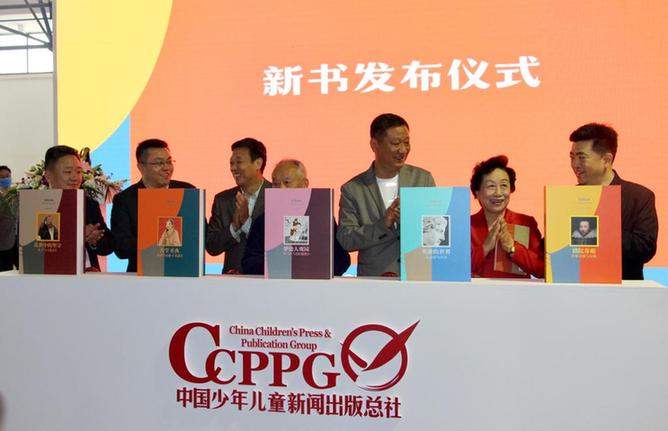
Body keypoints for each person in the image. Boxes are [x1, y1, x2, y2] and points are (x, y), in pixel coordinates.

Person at [337, 113, 435, 276]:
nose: (403, 150)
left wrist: (411, 221)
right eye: (396, 143)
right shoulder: (353, 189)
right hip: (375, 279)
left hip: (418, 273)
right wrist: (383, 225)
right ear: (374, 145)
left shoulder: (423, 179)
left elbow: (436, 228)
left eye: (406, 142)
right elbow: (346, 240)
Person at [569, 123, 658, 279]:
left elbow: (645, 249)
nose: (575, 164)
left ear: (606, 160)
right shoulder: (567, 198)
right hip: (575, 286)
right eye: (572, 157)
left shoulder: (639, 197)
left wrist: (602, 228)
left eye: (581, 157)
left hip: (623, 289)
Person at [242, 159, 351, 275]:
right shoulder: (263, 221)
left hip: (313, 285)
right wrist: (282, 265)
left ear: (304, 184)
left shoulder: (321, 219)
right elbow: (249, 263)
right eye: (275, 184)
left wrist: (312, 266)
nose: (281, 189)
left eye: (287, 182)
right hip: (276, 285)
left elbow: (342, 261)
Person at [111, 139, 194, 272]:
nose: (167, 168)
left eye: (169, 162)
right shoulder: (125, 200)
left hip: (183, 273)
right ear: (141, 167)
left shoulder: (187, 192)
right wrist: (158, 240)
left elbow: (200, 234)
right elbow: (121, 248)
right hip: (142, 275)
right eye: (159, 163)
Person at [470, 155, 544, 278]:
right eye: (491, 186)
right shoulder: (467, 226)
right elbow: (455, 268)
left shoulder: (525, 223)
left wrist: (512, 247)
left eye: (504, 185)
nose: (498, 193)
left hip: (516, 290)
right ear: (477, 192)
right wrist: (485, 248)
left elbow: (541, 269)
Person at [43, 145, 115, 271]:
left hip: (88, 276)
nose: (75, 177)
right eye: (68, 172)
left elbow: (108, 245)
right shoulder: (38, 205)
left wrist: (94, 240)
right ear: (48, 175)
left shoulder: (89, 204)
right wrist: (77, 236)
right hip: (51, 275)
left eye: (79, 171)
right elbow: (36, 248)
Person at [206, 138, 271, 274]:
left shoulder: (277, 196)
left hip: (268, 278)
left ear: (258, 163)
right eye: (231, 163)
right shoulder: (223, 200)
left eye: (239, 162)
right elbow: (212, 246)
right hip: (232, 280)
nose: (233, 168)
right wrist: (234, 228)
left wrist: (247, 223)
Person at [0, 165, 18, 271]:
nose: (5, 179)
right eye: (2, 177)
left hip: (19, 242)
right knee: (5, 272)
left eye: (7, 176)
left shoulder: (17, 195)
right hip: (3, 243)